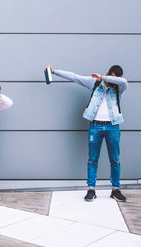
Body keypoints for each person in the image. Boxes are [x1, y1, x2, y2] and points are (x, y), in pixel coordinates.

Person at [48, 65, 128, 202]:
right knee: (92, 159)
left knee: (115, 159)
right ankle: (91, 189)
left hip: (112, 126)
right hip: (95, 126)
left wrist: (105, 78)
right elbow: (75, 76)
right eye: (111, 77)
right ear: (107, 72)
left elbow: (124, 82)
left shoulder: (119, 87)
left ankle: (115, 189)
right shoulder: (95, 82)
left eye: (115, 79)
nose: (112, 81)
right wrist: (54, 71)